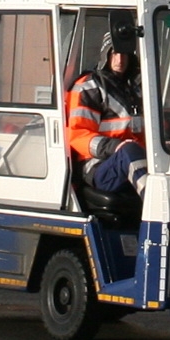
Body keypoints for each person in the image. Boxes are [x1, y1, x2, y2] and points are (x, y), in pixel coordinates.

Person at [64, 23, 147, 210]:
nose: (120, 60)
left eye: (124, 54)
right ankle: (156, 204)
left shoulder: (137, 88)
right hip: (98, 166)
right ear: (105, 55)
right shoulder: (88, 87)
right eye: (114, 53)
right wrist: (115, 147)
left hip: (132, 161)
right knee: (129, 151)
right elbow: (78, 136)